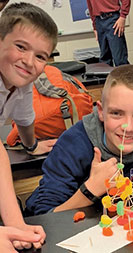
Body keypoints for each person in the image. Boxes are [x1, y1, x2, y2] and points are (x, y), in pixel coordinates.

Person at [25, 64, 133, 215]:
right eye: (117, 113)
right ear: (101, 111)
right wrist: (91, 189)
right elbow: (46, 219)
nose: (128, 127)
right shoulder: (72, 145)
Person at [0, 2, 58, 251]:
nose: (28, 61)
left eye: (40, 56)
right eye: (20, 47)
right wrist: (15, 223)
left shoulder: (21, 86)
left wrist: (31, 145)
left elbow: (25, 119)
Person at [86, 0, 130, 66]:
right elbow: (90, 6)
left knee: (119, 59)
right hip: (99, 21)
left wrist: (123, 16)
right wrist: (95, 26)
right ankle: (107, 76)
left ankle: (125, 76)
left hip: (113, 19)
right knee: (104, 60)